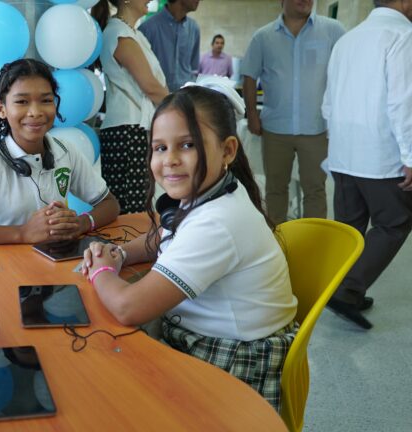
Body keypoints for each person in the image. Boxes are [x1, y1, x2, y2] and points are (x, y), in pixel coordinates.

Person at [81, 79, 298, 410]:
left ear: (227, 150)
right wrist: (121, 253)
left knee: (101, 385)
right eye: (160, 148)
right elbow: (163, 239)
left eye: (187, 145)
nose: (170, 160)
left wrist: (102, 270)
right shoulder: (211, 193)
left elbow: (129, 308)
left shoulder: (217, 222)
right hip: (204, 335)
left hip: (230, 361)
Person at [0, 59, 120, 245]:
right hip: (0, 266)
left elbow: (110, 204)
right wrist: (22, 233)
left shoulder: (66, 151)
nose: (35, 112)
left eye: (46, 100)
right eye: (22, 101)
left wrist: (81, 224)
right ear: (2, 109)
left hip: (51, 259)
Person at [321, 0, 412, 330]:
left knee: (350, 228)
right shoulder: (402, 35)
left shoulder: (348, 38)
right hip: (380, 154)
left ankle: (341, 289)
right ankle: (347, 291)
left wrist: (334, 146)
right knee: (395, 223)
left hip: (345, 154)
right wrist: (410, 156)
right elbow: (404, 102)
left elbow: (328, 100)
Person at [240, 0, 345, 226]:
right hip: (276, 128)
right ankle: (279, 243)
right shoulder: (263, 37)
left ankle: (312, 241)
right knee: (276, 188)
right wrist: (252, 114)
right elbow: (249, 76)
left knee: (315, 190)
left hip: (316, 128)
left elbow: (346, 72)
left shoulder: (332, 31)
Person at [91, 0, 169, 213]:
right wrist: (184, 111)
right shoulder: (118, 33)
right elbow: (151, 87)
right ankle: (124, 248)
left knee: (140, 207)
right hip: (127, 132)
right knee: (131, 213)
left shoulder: (132, 34)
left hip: (134, 130)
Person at [138, 0, 201, 92]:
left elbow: (193, 67)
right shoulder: (147, 29)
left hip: (185, 98)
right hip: (156, 99)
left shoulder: (194, 28)